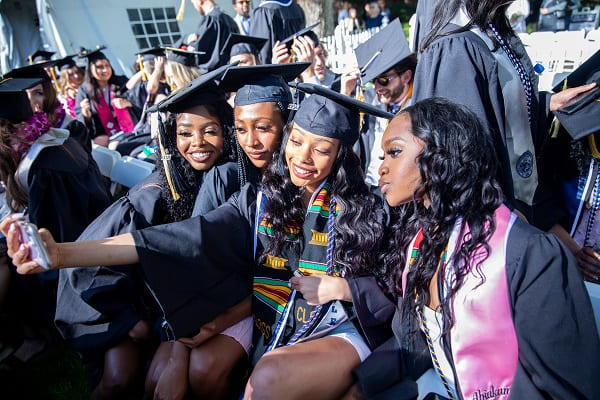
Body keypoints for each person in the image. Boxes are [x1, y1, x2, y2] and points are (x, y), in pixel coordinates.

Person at [3, 84, 396, 400]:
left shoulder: (370, 211)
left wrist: (340, 287)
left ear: (342, 155)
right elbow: (175, 239)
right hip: (274, 320)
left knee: (267, 380)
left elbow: (393, 293)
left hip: (340, 326)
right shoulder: (262, 200)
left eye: (322, 149)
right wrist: (61, 254)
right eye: (296, 141)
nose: (302, 157)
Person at [350, 97, 600, 399]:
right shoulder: (423, 245)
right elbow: (414, 346)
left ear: (439, 154)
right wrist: (358, 387)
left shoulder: (528, 254)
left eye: (395, 152)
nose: (383, 168)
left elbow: (563, 387)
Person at [412, 0, 597, 234]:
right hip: (488, 217)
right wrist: (498, 210)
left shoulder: (489, 31)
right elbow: (461, 151)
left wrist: (547, 102)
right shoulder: (455, 45)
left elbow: (499, 106)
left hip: (511, 205)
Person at [0, 75, 112, 357]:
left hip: (84, 260)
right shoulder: (51, 143)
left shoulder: (45, 169)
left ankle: (39, 335)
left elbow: (57, 235)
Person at [353, 18, 417, 186]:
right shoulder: (372, 106)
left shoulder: (418, 106)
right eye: (373, 81)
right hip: (374, 187)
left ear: (406, 77)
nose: (377, 87)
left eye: (383, 80)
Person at [75, 48, 138, 148]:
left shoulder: (121, 82)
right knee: (98, 147)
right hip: (103, 134)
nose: (105, 70)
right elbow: (80, 118)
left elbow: (138, 100)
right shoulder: (84, 91)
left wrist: (128, 103)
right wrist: (85, 115)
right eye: (100, 67)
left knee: (116, 147)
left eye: (107, 65)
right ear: (90, 70)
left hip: (129, 128)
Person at [188, 0, 239, 73]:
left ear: (200, 1)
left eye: (193, 3)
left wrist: (192, 42)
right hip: (231, 70)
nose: (195, 7)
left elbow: (202, 51)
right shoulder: (229, 19)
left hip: (216, 74)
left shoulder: (210, 20)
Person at [250, 0, 306, 64]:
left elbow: (263, 54)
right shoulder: (297, 9)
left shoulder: (263, 11)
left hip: (276, 68)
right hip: (298, 67)